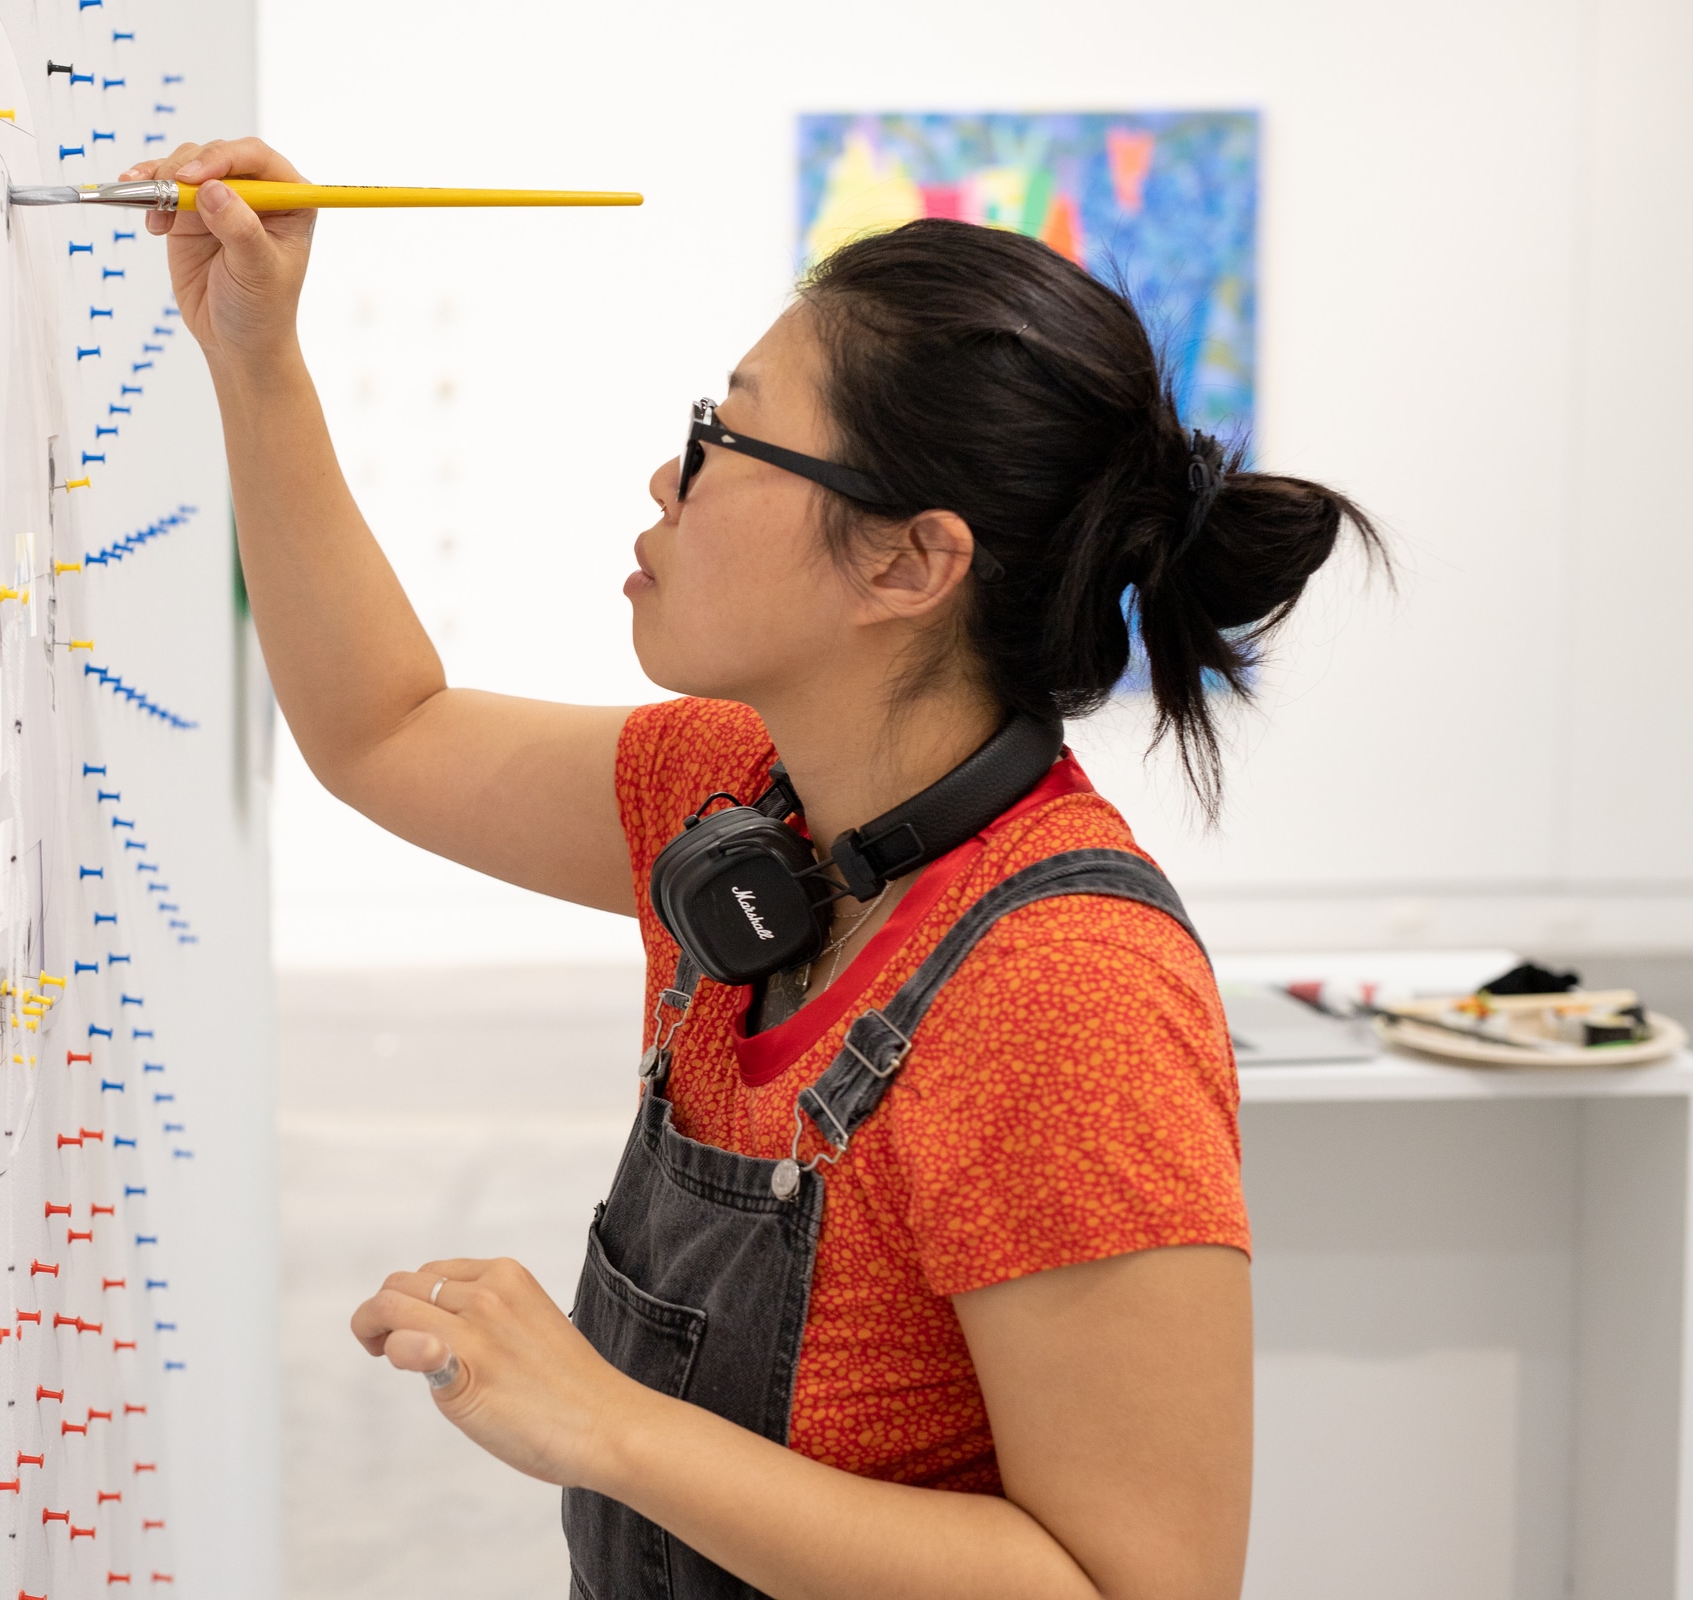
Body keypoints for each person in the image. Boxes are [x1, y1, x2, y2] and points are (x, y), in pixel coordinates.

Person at [129, 138, 1380, 1600]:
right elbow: (384, 732)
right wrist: (255, 357)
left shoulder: (1066, 991)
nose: (672, 476)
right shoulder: (733, 795)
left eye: (726, 438)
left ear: (908, 564)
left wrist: (612, 1428)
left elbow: (1135, 1588)